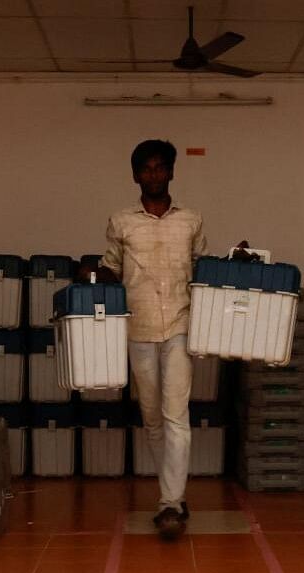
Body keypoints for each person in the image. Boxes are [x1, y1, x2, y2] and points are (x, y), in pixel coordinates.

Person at [99, 139, 207, 540]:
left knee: (177, 415)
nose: (155, 175)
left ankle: (170, 504)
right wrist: (93, 273)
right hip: (137, 328)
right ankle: (172, 494)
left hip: (180, 325)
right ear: (135, 176)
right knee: (152, 418)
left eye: (161, 168)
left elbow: (203, 270)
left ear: (172, 172)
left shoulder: (191, 220)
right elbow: (111, 267)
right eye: (147, 169)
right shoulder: (121, 221)